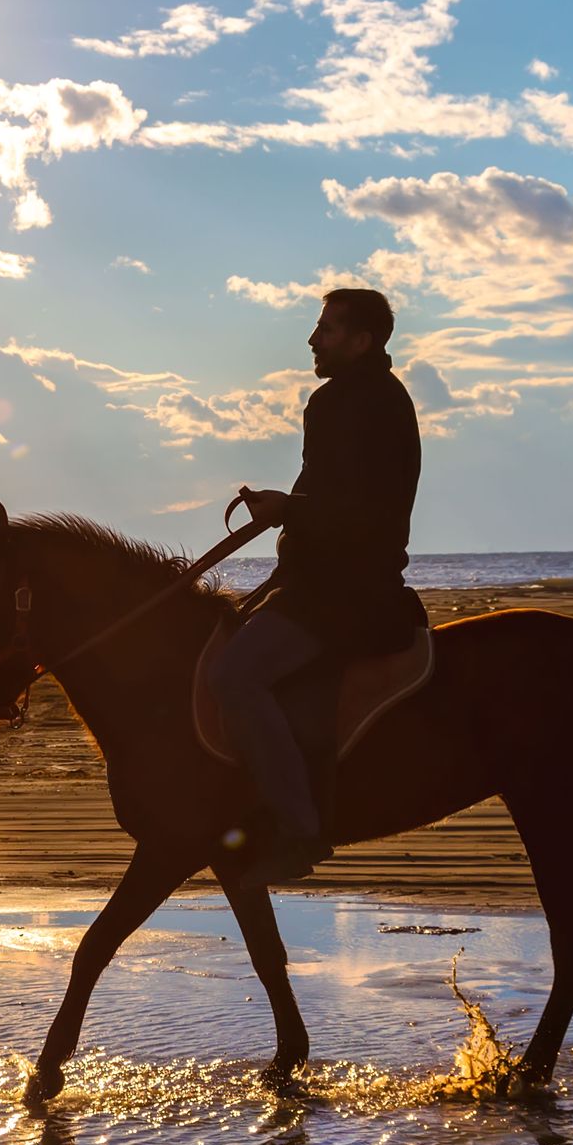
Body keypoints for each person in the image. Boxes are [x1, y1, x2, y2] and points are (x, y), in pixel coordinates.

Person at [211, 288, 424, 890]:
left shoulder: (353, 403)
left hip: (347, 594)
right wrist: (291, 513)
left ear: (363, 341)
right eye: (317, 327)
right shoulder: (360, 399)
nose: (313, 339)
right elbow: (332, 499)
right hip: (324, 582)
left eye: (327, 329)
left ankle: (299, 827)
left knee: (235, 676)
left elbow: (356, 512)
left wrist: (288, 510)